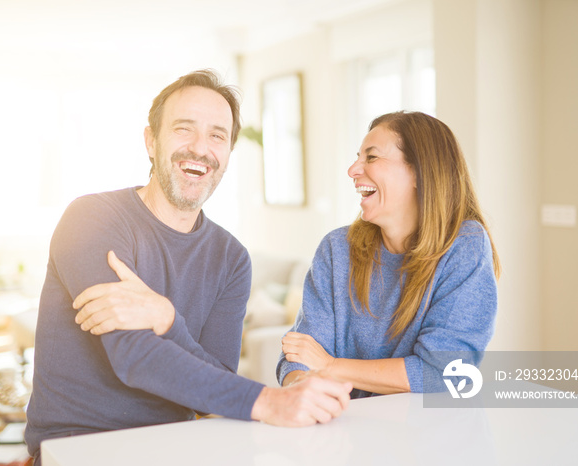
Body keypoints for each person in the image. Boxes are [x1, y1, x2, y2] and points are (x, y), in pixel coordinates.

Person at [24, 70, 352, 464]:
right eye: (184, 129)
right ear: (151, 141)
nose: (200, 148)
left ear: (228, 153)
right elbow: (133, 356)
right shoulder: (92, 219)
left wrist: (166, 318)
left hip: (180, 444)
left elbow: (214, 382)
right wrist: (269, 402)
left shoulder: (231, 258)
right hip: (77, 447)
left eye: (217, 135)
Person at [277, 111, 500, 397]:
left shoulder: (464, 246)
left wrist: (331, 366)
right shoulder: (337, 249)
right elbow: (301, 353)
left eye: (371, 158)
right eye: (358, 157)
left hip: (430, 434)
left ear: (420, 172)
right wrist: (300, 387)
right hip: (347, 431)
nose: (352, 170)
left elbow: (443, 372)